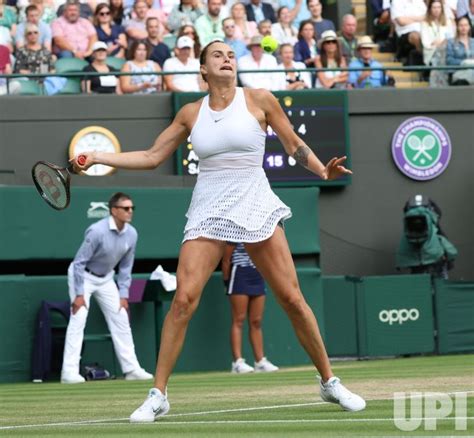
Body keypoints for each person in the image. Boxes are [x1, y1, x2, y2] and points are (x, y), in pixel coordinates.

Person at [72, 39, 366, 422]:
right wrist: (96, 157)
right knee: (183, 301)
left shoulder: (260, 99)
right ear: (204, 71)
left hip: (255, 197)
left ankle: (330, 382)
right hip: (209, 205)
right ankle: (158, 394)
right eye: (218, 55)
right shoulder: (191, 114)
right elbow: (151, 156)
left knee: (292, 299)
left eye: (231, 55)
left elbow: (293, 145)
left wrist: (322, 171)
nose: (227, 59)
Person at [60, 192, 153, 384]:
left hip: (106, 279)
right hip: (83, 276)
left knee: (121, 318)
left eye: (132, 208)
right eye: (126, 208)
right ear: (114, 211)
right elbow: (78, 263)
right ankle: (68, 373)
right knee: (78, 319)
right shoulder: (97, 231)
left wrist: (123, 294)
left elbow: (126, 267)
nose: (130, 212)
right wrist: (79, 294)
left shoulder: (132, 233)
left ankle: (131, 369)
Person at [222, 243, 279, 374]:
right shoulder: (234, 232)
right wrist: (226, 281)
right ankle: (237, 363)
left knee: (256, 321)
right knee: (239, 319)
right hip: (239, 274)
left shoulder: (259, 232)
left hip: (258, 274)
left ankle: (260, 362)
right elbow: (226, 259)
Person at [421, 0, 453, 66]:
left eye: (438, 7)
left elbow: (451, 38)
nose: (436, 10)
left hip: (446, 50)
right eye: (434, 7)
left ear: (442, 9)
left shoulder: (448, 22)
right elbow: (426, 43)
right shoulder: (424, 24)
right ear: (430, 9)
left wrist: (440, 43)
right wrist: (441, 43)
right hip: (431, 52)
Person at [446, 15, 474, 84]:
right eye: (461, 25)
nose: (463, 28)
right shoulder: (451, 42)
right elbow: (449, 60)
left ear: (469, 27)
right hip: (458, 72)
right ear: (457, 27)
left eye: (466, 25)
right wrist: (463, 62)